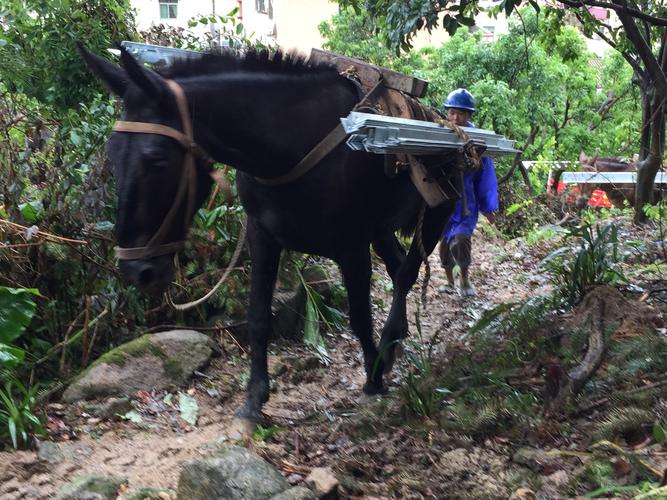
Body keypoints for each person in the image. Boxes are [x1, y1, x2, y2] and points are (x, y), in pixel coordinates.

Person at [439, 88, 498, 297]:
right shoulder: (437, 133)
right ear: (447, 112)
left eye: (461, 113)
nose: (456, 117)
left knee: (461, 240)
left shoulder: (477, 141)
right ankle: (449, 282)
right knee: (445, 243)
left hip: (466, 203)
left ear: (469, 115)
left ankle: (464, 279)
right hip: (443, 200)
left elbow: (486, 177)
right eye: (452, 112)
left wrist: (489, 207)